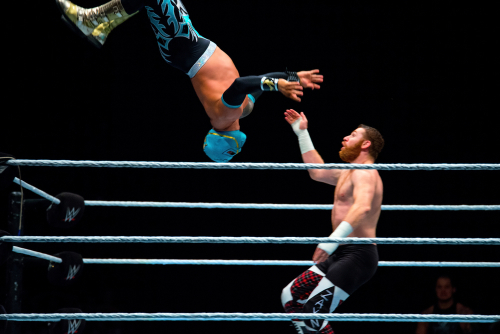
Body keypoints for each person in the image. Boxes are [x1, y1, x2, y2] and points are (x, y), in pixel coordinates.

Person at [55, 0, 324, 162]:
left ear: (232, 140)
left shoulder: (224, 116)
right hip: (189, 44)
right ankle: (100, 27)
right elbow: (256, 86)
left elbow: (242, 84)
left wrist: (277, 86)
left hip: (183, 48)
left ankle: (91, 21)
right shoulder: (243, 110)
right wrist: (292, 76)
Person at [281, 109, 384, 334]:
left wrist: (330, 242)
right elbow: (317, 172)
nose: (345, 138)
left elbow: (362, 207)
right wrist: (302, 134)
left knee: (311, 315)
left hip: (358, 254)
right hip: (340, 252)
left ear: (366, 144)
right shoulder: (348, 172)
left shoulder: (366, 172)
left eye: (353, 135)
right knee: (292, 297)